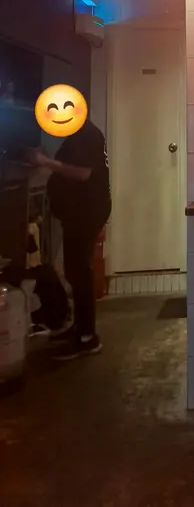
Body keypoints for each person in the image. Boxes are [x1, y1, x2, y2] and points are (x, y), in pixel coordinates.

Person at [29, 119, 111, 360]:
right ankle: (80, 328)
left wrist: (45, 162)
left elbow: (82, 173)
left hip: (85, 213)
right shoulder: (79, 133)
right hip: (79, 213)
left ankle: (87, 338)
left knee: (79, 272)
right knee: (76, 272)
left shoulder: (88, 134)